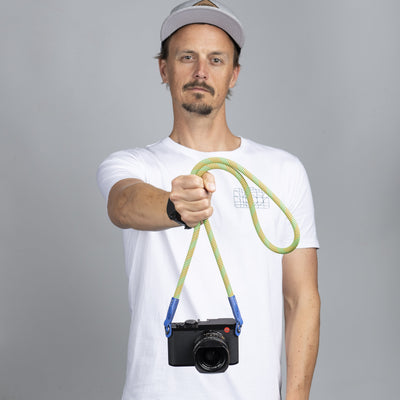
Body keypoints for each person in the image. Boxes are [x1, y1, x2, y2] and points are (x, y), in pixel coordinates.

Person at [97, 1, 320, 399]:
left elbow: (301, 298)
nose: (201, 71)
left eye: (216, 59)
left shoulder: (283, 171)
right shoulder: (134, 164)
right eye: (187, 57)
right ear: (164, 68)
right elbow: (124, 204)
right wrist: (173, 206)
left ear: (233, 74)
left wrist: (297, 397)